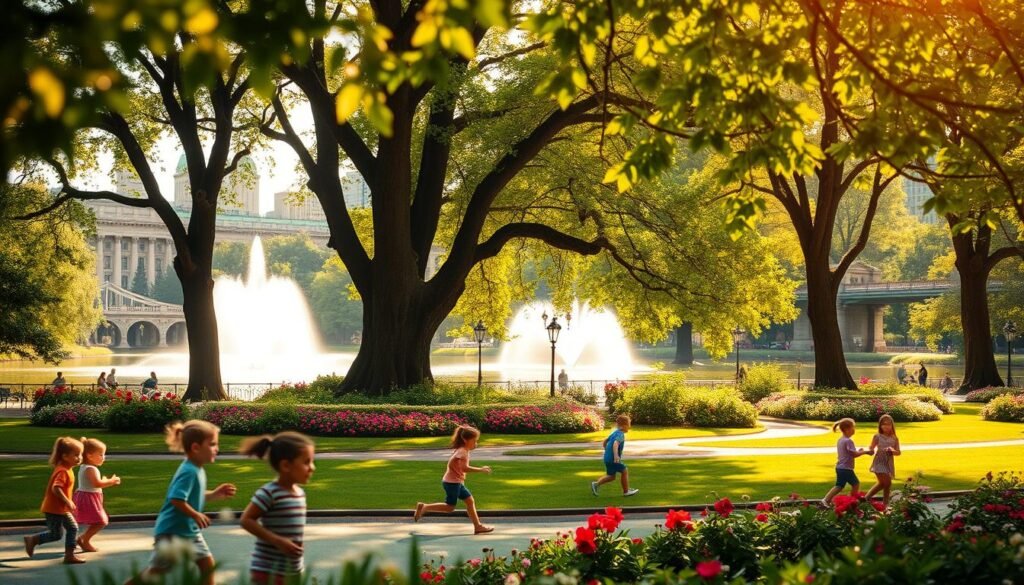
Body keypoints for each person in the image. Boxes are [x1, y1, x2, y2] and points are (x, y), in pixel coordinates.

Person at [124, 420, 237, 585]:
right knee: (157, 571)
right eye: (212, 444)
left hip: (188, 531)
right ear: (196, 447)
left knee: (207, 565)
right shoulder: (189, 471)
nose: (217, 449)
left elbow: (193, 496)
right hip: (172, 532)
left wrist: (214, 494)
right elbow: (176, 499)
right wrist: (195, 514)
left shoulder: (197, 468)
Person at [240, 432, 315, 585]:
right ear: (286, 465)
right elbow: (246, 520)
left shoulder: (300, 494)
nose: (312, 467)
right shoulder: (269, 492)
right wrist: (278, 541)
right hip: (269, 571)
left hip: (292, 570)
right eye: (306, 462)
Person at [413, 425, 494, 534]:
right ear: (465, 440)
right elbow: (464, 468)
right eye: (474, 441)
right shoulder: (463, 452)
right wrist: (481, 470)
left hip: (456, 482)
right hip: (452, 483)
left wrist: (456, 471)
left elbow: (456, 464)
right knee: (450, 507)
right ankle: (424, 507)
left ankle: (478, 526)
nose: (476, 443)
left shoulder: (462, 450)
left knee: (470, 501)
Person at [24, 437, 86, 564]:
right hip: (55, 508)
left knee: (59, 533)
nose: (79, 457)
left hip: (59, 508)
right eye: (76, 455)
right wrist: (67, 501)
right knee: (67, 530)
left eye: (80, 454)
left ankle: (34, 540)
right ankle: (67, 555)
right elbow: (56, 488)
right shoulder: (63, 471)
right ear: (64, 456)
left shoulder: (66, 468)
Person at [73, 438, 121, 552]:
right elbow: (97, 483)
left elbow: (94, 483)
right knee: (101, 521)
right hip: (89, 498)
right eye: (101, 454)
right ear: (89, 456)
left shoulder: (86, 467)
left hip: (88, 496)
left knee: (98, 520)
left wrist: (105, 480)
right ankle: (84, 539)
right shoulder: (91, 468)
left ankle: (83, 539)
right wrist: (112, 481)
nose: (103, 457)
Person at [823, 418, 870, 505]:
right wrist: (866, 452)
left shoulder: (841, 440)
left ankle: (826, 500)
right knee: (855, 484)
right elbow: (854, 454)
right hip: (846, 469)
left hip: (840, 467)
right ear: (847, 429)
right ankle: (850, 502)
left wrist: (859, 451)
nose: (854, 430)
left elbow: (849, 453)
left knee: (839, 486)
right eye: (853, 428)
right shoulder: (848, 441)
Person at [591, 414, 640, 497]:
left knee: (611, 476)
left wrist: (607, 451)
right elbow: (615, 444)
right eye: (628, 424)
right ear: (623, 426)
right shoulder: (620, 434)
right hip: (614, 458)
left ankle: (596, 484)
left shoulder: (614, 433)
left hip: (607, 458)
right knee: (624, 471)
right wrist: (616, 455)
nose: (629, 426)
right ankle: (626, 491)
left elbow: (605, 441)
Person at [865, 415, 901, 508]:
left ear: (892, 425)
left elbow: (898, 452)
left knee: (882, 484)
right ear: (880, 426)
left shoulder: (895, 438)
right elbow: (871, 448)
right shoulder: (877, 436)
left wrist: (893, 451)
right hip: (879, 462)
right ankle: (886, 504)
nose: (886, 426)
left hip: (888, 463)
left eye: (888, 424)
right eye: (884, 424)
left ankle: (867, 498)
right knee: (888, 483)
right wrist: (869, 451)